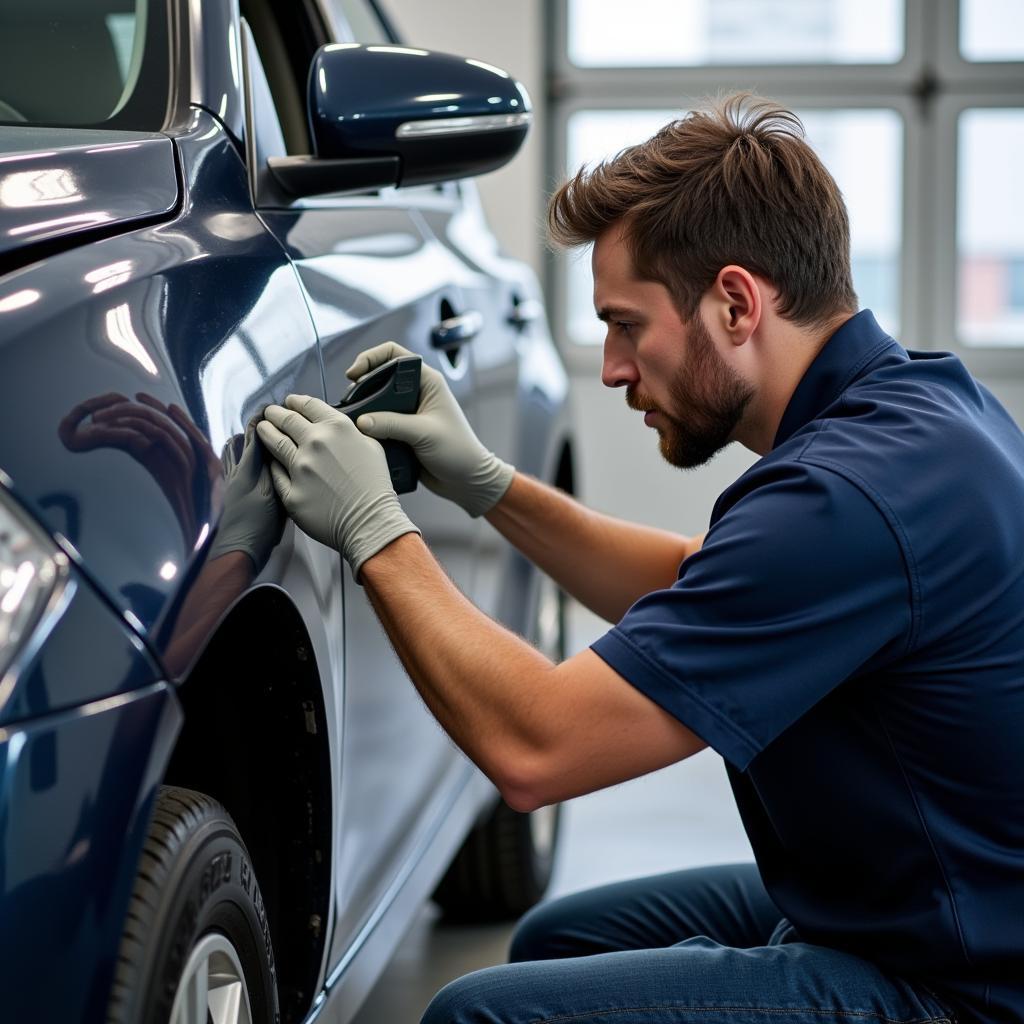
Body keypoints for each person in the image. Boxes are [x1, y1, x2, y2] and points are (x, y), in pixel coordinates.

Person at [255, 94, 1024, 1024]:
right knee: (558, 938)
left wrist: (377, 529)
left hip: (958, 986)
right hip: (934, 900)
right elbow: (699, 583)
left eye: (627, 325)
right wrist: (490, 485)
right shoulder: (920, 413)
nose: (614, 369)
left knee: (479, 1016)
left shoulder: (840, 502)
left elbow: (537, 749)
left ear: (736, 302)